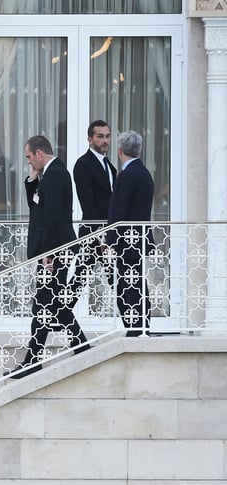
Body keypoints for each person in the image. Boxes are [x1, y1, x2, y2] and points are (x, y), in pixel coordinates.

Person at [7, 135, 89, 378]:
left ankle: (33, 361)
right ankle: (78, 347)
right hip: (54, 251)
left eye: (30, 157)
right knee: (51, 304)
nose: (29, 162)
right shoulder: (49, 175)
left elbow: (52, 218)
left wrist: (48, 255)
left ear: (40, 153)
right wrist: (32, 179)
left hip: (55, 252)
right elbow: (37, 207)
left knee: (44, 304)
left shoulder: (55, 176)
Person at [104, 129, 155, 337]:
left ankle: (135, 328)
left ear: (120, 150)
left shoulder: (127, 175)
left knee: (127, 285)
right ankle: (142, 325)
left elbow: (119, 209)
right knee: (137, 282)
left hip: (127, 241)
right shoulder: (145, 174)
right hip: (139, 239)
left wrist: (109, 239)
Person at [72, 120, 115, 294]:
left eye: (107, 136)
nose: (105, 140)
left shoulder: (109, 166)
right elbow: (88, 204)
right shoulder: (83, 164)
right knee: (79, 280)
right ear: (90, 139)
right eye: (100, 137)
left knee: (117, 281)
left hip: (110, 234)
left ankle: (132, 320)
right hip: (93, 236)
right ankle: (60, 317)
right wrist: (101, 237)